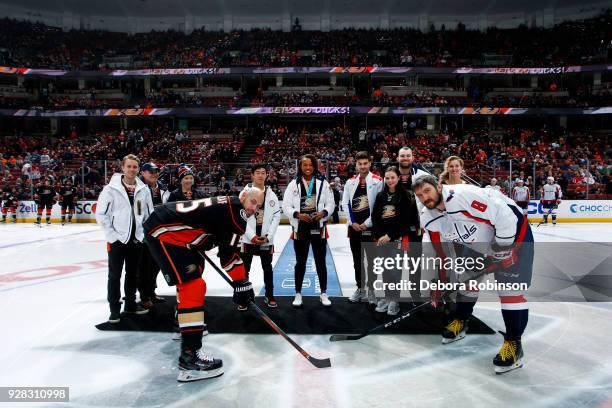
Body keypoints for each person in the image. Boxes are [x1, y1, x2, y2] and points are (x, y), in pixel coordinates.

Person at [413, 175, 533, 374]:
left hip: (514, 233)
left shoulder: (464, 196)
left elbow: (507, 215)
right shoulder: (428, 217)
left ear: (439, 186)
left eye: (427, 191)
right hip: (478, 242)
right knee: (468, 280)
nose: (425, 197)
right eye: (419, 195)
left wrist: (507, 247)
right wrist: (439, 282)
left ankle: (514, 344)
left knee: (510, 292)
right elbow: (440, 253)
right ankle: (461, 319)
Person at [143, 188, 263, 382]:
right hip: (164, 231)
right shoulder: (237, 212)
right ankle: (189, 357)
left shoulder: (228, 204)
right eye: (253, 202)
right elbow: (228, 255)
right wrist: (242, 282)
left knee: (193, 277)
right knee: (193, 286)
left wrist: (241, 282)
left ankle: (182, 324)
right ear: (243, 197)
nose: (254, 208)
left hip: (170, 227)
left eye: (259, 205)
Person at [95, 154, 154, 323]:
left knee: (132, 275)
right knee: (114, 276)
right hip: (117, 241)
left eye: (135, 167)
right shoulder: (110, 189)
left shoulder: (143, 190)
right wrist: (112, 237)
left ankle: (130, 305)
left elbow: (147, 215)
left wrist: (141, 236)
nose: (132, 170)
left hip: (135, 240)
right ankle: (114, 309)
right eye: (129, 166)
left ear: (138, 169)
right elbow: (101, 215)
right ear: (123, 167)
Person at [282, 154, 335, 308]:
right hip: (300, 227)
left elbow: (331, 203)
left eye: (310, 165)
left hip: (319, 226)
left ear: (314, 166)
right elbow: (286, 206)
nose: (307, 168)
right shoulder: (293, 184)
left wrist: (323, 213)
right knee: (300, 262)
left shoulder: (323, 183)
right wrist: (297, 215)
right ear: (300, 167)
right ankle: (298, 293)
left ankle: (323, 292)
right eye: (304, 165)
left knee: (321, 261)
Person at [371, 166, 420, 316]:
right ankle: (387, 296)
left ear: (398, 178)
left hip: (397, 237)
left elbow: (404, 220)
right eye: (387, 178)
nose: (390, 180)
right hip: (382, 239)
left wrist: (390, 236)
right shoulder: (381, 196)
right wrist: (379, 235)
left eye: (393, 177)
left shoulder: (405, 196)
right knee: (385, 269)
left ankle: (394, 300)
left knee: (395, 270)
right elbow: (375, 217)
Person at [341, 151, 383, 304]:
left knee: (372, 261)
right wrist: (352, 222)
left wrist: (367, 223)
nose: (363, 166)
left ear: (370, 164)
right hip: (354, 228)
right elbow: (345, 203)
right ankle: (360, 288)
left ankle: (371, 290)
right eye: (360, 164)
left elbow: (379, 206)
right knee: (357, 260)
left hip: (370, 227)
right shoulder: (350, 182)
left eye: (365, 163)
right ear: (356, 164)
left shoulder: (378, 181)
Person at [240, 164, 281, 309]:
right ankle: (244, 298)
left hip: (266, 239)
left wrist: (268, 236)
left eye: (263, 173)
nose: (260, 175)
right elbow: (241, 217)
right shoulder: (244, 194)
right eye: (257, 173)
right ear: (252, 175)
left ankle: (269, 295)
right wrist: (251, 237)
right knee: (245, 269)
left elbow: (277, 216)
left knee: (267, 268)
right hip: (247, 239)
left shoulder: (272, 194)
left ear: (266, 175)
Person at [138, 162, 170, 309]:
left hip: (160, 234)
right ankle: (144, 295)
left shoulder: (163, 187)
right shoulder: (139, 189)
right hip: (146, 235)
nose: (154, 173)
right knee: (145, 267)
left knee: (156, 265)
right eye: (150, 171)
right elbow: (138, 214)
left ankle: (151, 292)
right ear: (143, 173)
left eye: (156, 171)